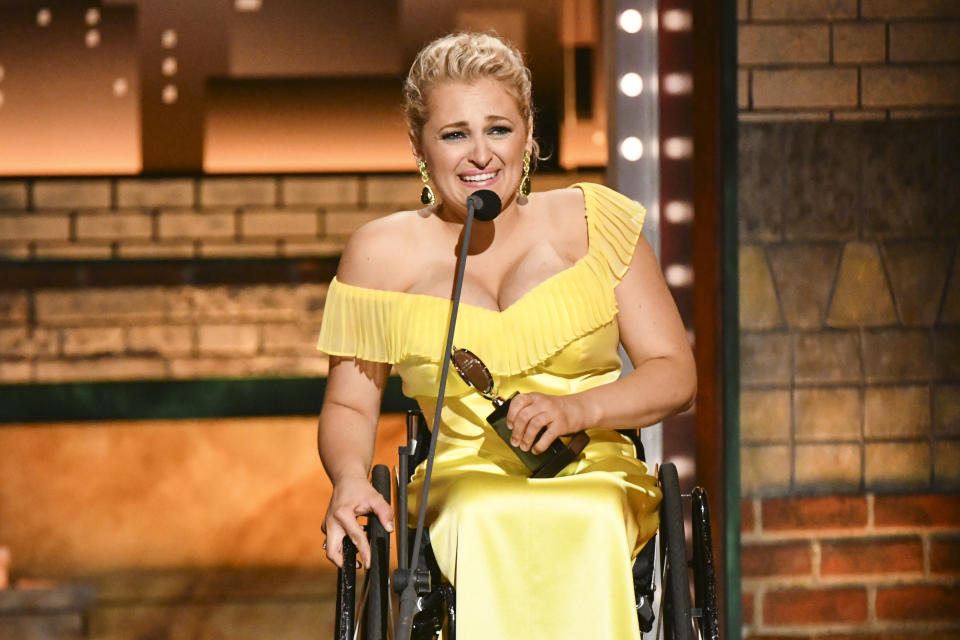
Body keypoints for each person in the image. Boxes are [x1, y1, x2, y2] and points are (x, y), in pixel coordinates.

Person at [317, 32, 696, 640]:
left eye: (497, 128)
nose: (479, 155)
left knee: (593, 514)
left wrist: (577, 409)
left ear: (528, 134)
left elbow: (675, 373)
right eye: (454, 133)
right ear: (419, 144)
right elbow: (348, 403)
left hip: (591, 461)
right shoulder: (378, 254)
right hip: (462, 471)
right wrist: (349, 478)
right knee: (480, 510)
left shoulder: (595, 222)